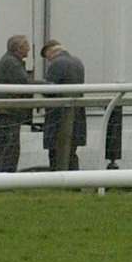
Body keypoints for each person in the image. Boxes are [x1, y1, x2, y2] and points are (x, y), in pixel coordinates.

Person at [0, 35, 35, 172]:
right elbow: (24, 82)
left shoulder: (12, 61)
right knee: (10, 146)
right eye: (26, 45)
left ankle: (8, 177)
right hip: (7, 112)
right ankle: (7, 177)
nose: (29, 48)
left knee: (10, 146)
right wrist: (48, 85)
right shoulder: (11, 63)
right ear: (19, 48)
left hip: (8, 111)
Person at [41, 40, 86, 170]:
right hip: (77, 114)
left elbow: (49, 91)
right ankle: (74, 183)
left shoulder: (56, 64)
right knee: (71, 152)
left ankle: (57, 182)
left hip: (58, 116)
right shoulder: (78, 62)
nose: (48, 60)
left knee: (56, 152)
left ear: (50, 52)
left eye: (47, 57)